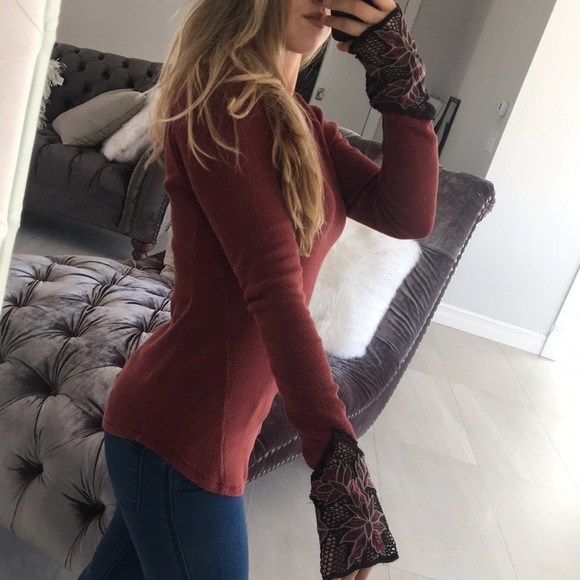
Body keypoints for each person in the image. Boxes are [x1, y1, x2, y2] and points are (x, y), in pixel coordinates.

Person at [78, 0, 439, 578]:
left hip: (186, 431)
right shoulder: (223, 103)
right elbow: (275, 292)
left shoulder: (302, 121)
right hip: (180, 436)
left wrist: (397, 74)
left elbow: (408, 212)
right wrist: (339, 467)